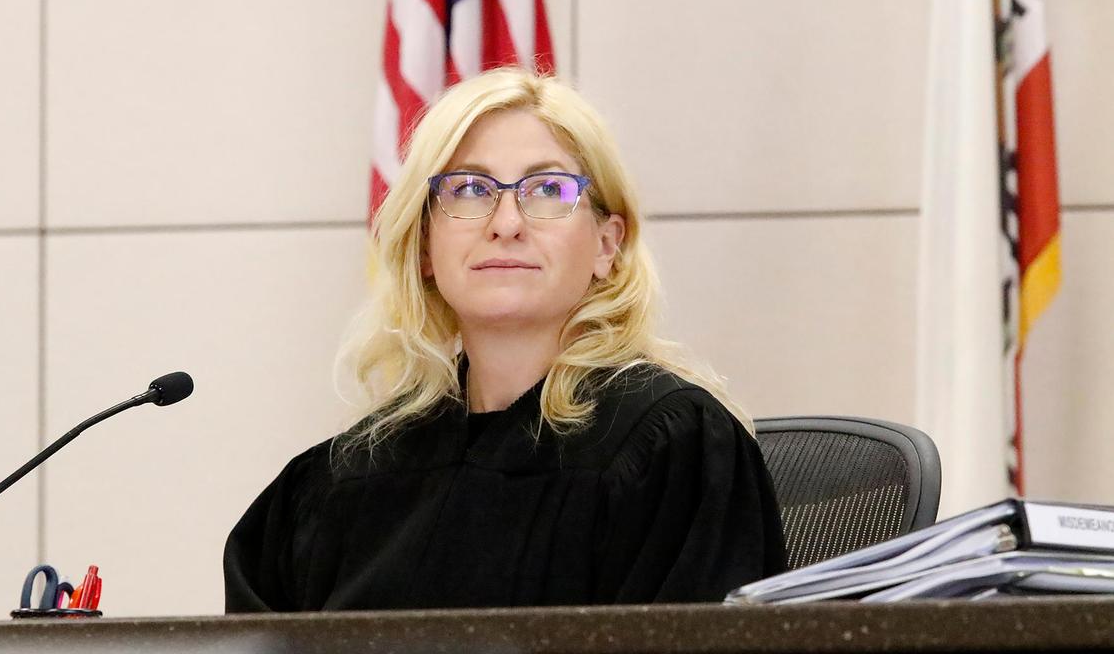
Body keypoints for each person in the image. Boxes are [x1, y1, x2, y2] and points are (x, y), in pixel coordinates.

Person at [223, 68, 785, 612]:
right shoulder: (340, 481)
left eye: (547, 188)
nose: (507, 222)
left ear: (606, 246)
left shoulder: (673, 448)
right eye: (469, 189)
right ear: (423, 246)